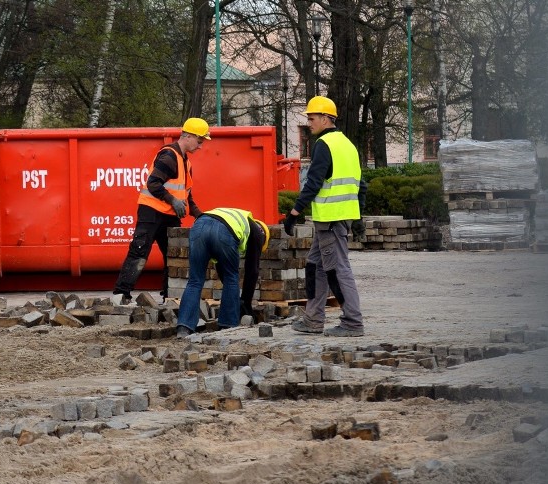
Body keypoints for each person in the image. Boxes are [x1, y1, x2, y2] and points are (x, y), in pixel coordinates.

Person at [284, 96, 366, 338]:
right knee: (315, 266)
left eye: (311, 118)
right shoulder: (348, 145)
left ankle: (352, 321)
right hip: (337, 218)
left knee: (337, 269)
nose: (309, 123)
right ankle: (313, 318)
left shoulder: (324, 145)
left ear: (325, 118)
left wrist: (294, 212)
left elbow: (313, 183)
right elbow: (361, 184)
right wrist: (358, 216)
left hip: (331, 219)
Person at [112, 118, 209, 302]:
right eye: (199, 141)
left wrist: (198, 214)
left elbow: (186, 195)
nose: (200, 146)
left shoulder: (185, 162)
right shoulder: (169, 156)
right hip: (151, 212)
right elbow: (153, 183)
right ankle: (121, 295)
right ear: (188, 136)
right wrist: (173, 200)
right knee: (139, 251)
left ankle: (169, 296)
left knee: (173, 255)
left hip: (169, 214)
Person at [176, 207, 269, 338]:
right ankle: (227, 325)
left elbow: (222, 268)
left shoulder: (237, 217)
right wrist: (245, 303)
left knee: (195, 281)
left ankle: (184, 327)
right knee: (232, 278)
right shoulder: (258, 233)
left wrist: (234, 297)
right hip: (223, 231)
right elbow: (252, 271)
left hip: (199, 226)